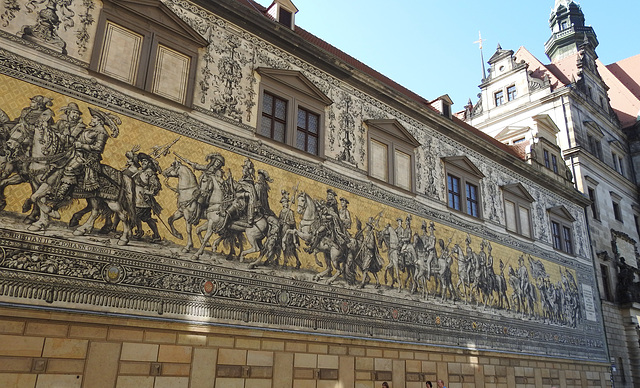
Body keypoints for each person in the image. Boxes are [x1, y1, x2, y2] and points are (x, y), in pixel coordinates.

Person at [133, 152, 162, 242]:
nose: (142, 164)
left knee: (144, 218)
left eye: (145, 162)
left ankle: (156, 235)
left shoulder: (151, 174)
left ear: (149, 163)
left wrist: (148, 192)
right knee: (137, 216)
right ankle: (139, 232)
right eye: (142, 162)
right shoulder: (141, 172)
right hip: (137, 198)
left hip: (144, 200)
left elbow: (157, 186)